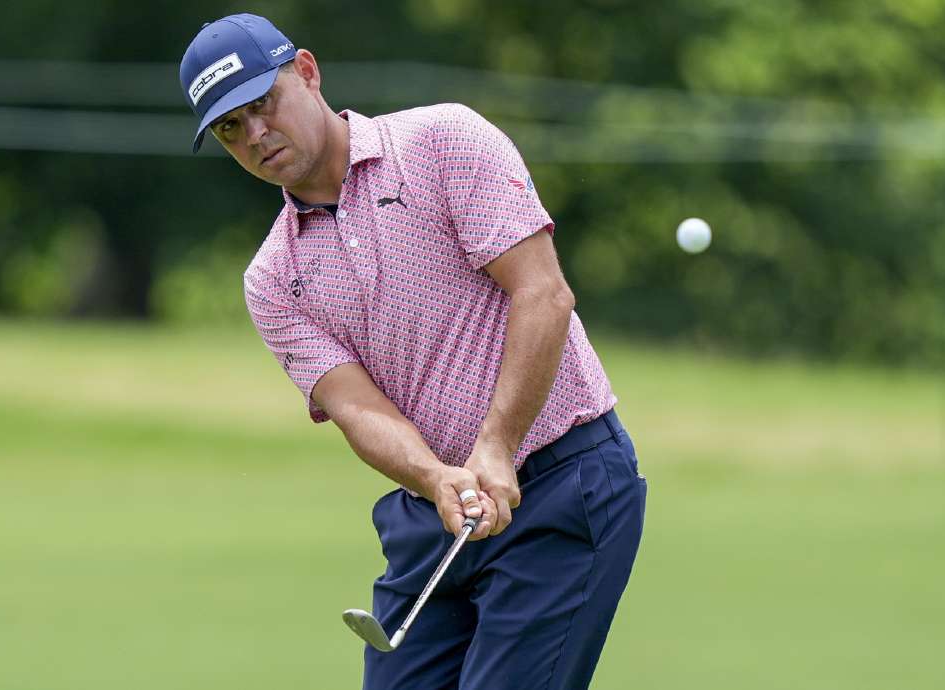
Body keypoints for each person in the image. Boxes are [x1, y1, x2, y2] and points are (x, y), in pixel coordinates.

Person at [179, 13, 647, 690]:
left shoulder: (442, 142)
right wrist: (433, 478)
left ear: (307, 72)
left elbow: (543, 294)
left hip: (561, 484)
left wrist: (496, 445)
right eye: (230, 128)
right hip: (434, 515)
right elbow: (355, 408)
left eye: (264, 104)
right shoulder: (274, 278)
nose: (255, 135)